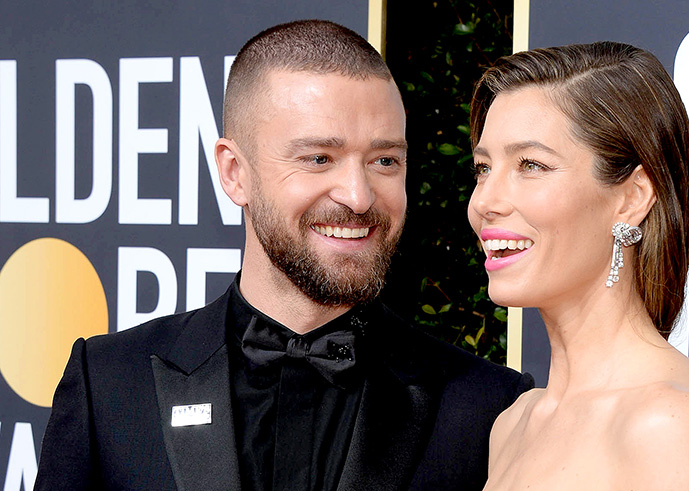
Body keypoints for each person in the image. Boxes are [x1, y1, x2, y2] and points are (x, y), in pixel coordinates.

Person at [35, 20, 533, 491]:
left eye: (385, 161)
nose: (358, 196)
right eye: (319, 158)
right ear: (234, 173)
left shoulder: (488, 407)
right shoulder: (110, 384)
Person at [467, 42, 689, 489]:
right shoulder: (514, 424)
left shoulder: (670, 424)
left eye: (531, 165)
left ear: (632, 197)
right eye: (482, 168)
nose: (484, 202)